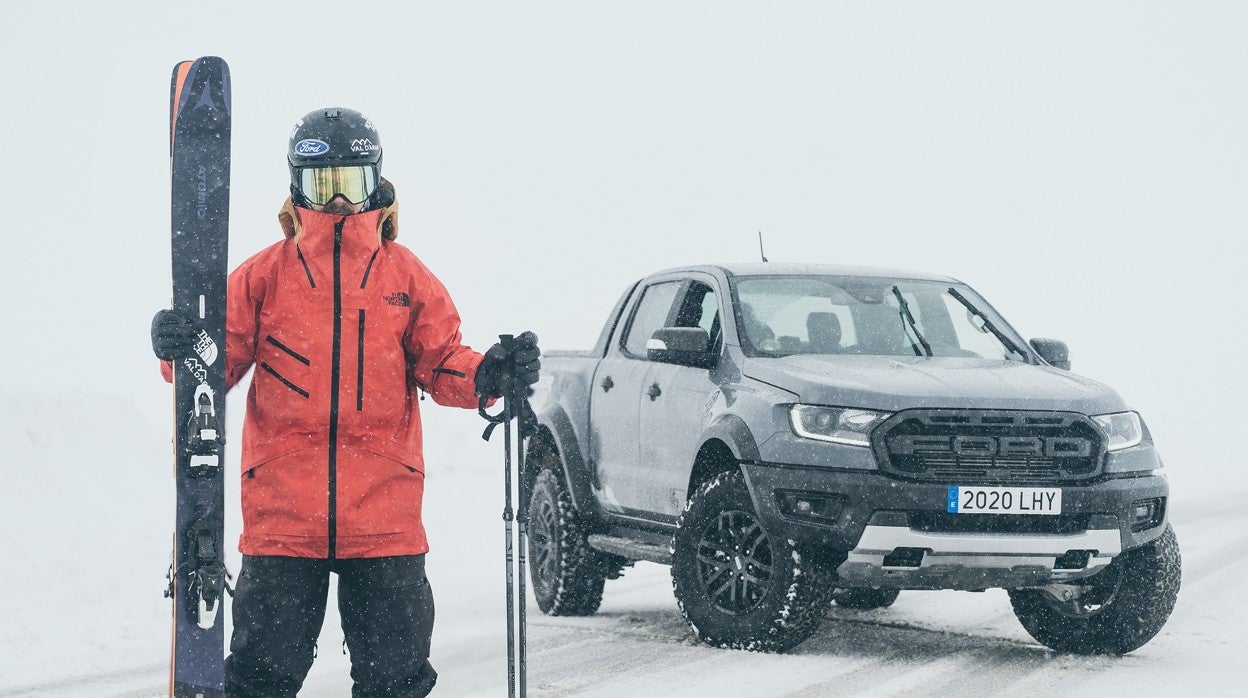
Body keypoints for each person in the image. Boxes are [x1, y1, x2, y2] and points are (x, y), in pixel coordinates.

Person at [151, 107, 540, 697]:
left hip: (385, 522)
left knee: (396, 684)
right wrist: (179, 348)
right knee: (260, 683)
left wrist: (489, 372)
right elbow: (211, 365)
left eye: (350, 183)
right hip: (283, 524)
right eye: (321, 184)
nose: (336, 202)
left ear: (376, 183)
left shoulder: (404, 276)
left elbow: (442, 362)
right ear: (295, 187)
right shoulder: (263, 277)